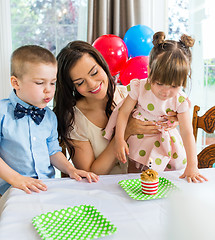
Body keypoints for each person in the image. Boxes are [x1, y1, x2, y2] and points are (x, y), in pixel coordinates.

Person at [54, 40, 178, 175]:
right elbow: (89, 174)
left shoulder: (131, 95)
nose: (92, 84)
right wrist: (125, 132)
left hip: (144, 184)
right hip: (103, 191)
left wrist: (172, 119)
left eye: (94, 72)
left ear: (102, 65)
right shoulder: (75, 119)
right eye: (80, 82)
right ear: (72, 87)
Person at [104, 32, 208, 183]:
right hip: (138, 139)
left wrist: (193, 165)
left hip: (165, 143)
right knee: (134, 178)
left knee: (166, 180)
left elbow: (187, 133)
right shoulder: (140, 87)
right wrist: (119, 139)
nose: (165, 92)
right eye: (159, 83)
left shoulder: (180, 100)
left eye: (174, 85)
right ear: (150, 71)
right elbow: (123, 113)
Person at [0, 45, 99, 196]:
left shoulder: (49, 117)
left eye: (52, 83)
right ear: (16, 83)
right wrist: (17, 179)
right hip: (12, 190)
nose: (48, 90)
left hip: (45, 188)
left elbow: (53, 151)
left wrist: (71, 170)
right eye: (40, 83)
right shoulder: (2, 113)